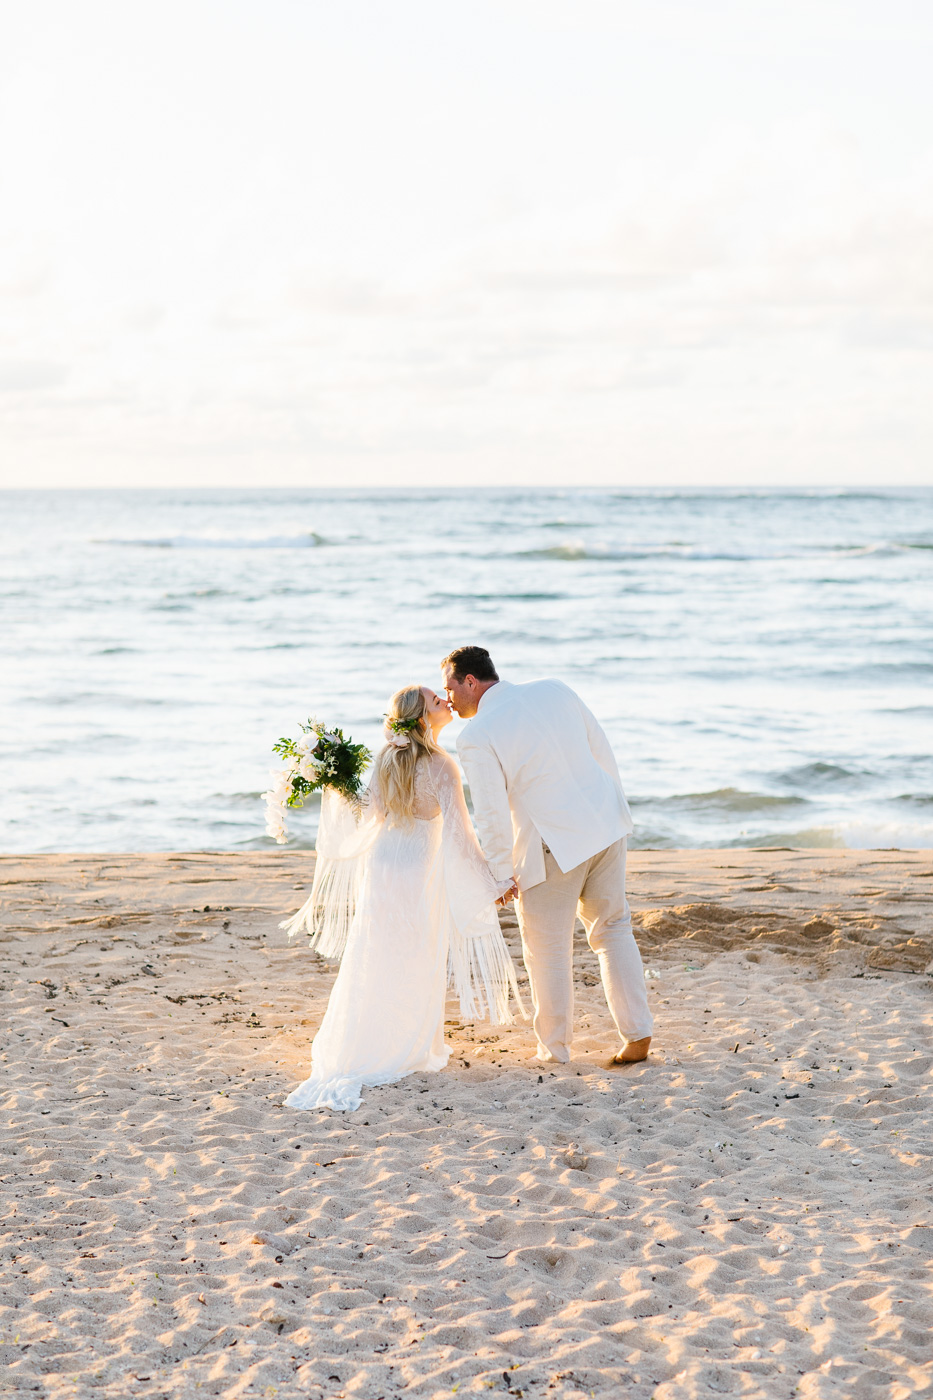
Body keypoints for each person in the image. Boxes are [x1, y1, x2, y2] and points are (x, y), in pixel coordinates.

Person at [281, 685, 523, 1112]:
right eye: (436, 701)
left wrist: (336, 782)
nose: (445, 701)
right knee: (416, 953)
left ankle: (366, 1039)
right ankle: (406, 1045)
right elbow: (460, 835)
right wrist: (492, 882)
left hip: (382, 865)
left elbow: (369, 814)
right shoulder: (443, 766)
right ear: (423, 718)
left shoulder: (386, 759)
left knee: (376, 950)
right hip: (418, 871)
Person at [441, 645, 653, 1066]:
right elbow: (600, 747)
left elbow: (491, 812)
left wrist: (500, 874)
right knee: (613, 930)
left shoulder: (476, 735)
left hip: (552, 845)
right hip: (605, 823)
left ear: (470, 681)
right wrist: (613, 807)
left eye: (449, 687)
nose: (447, 697)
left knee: (547, 950)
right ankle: (638, 1033)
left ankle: (554, 1049)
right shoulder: (554, 688)